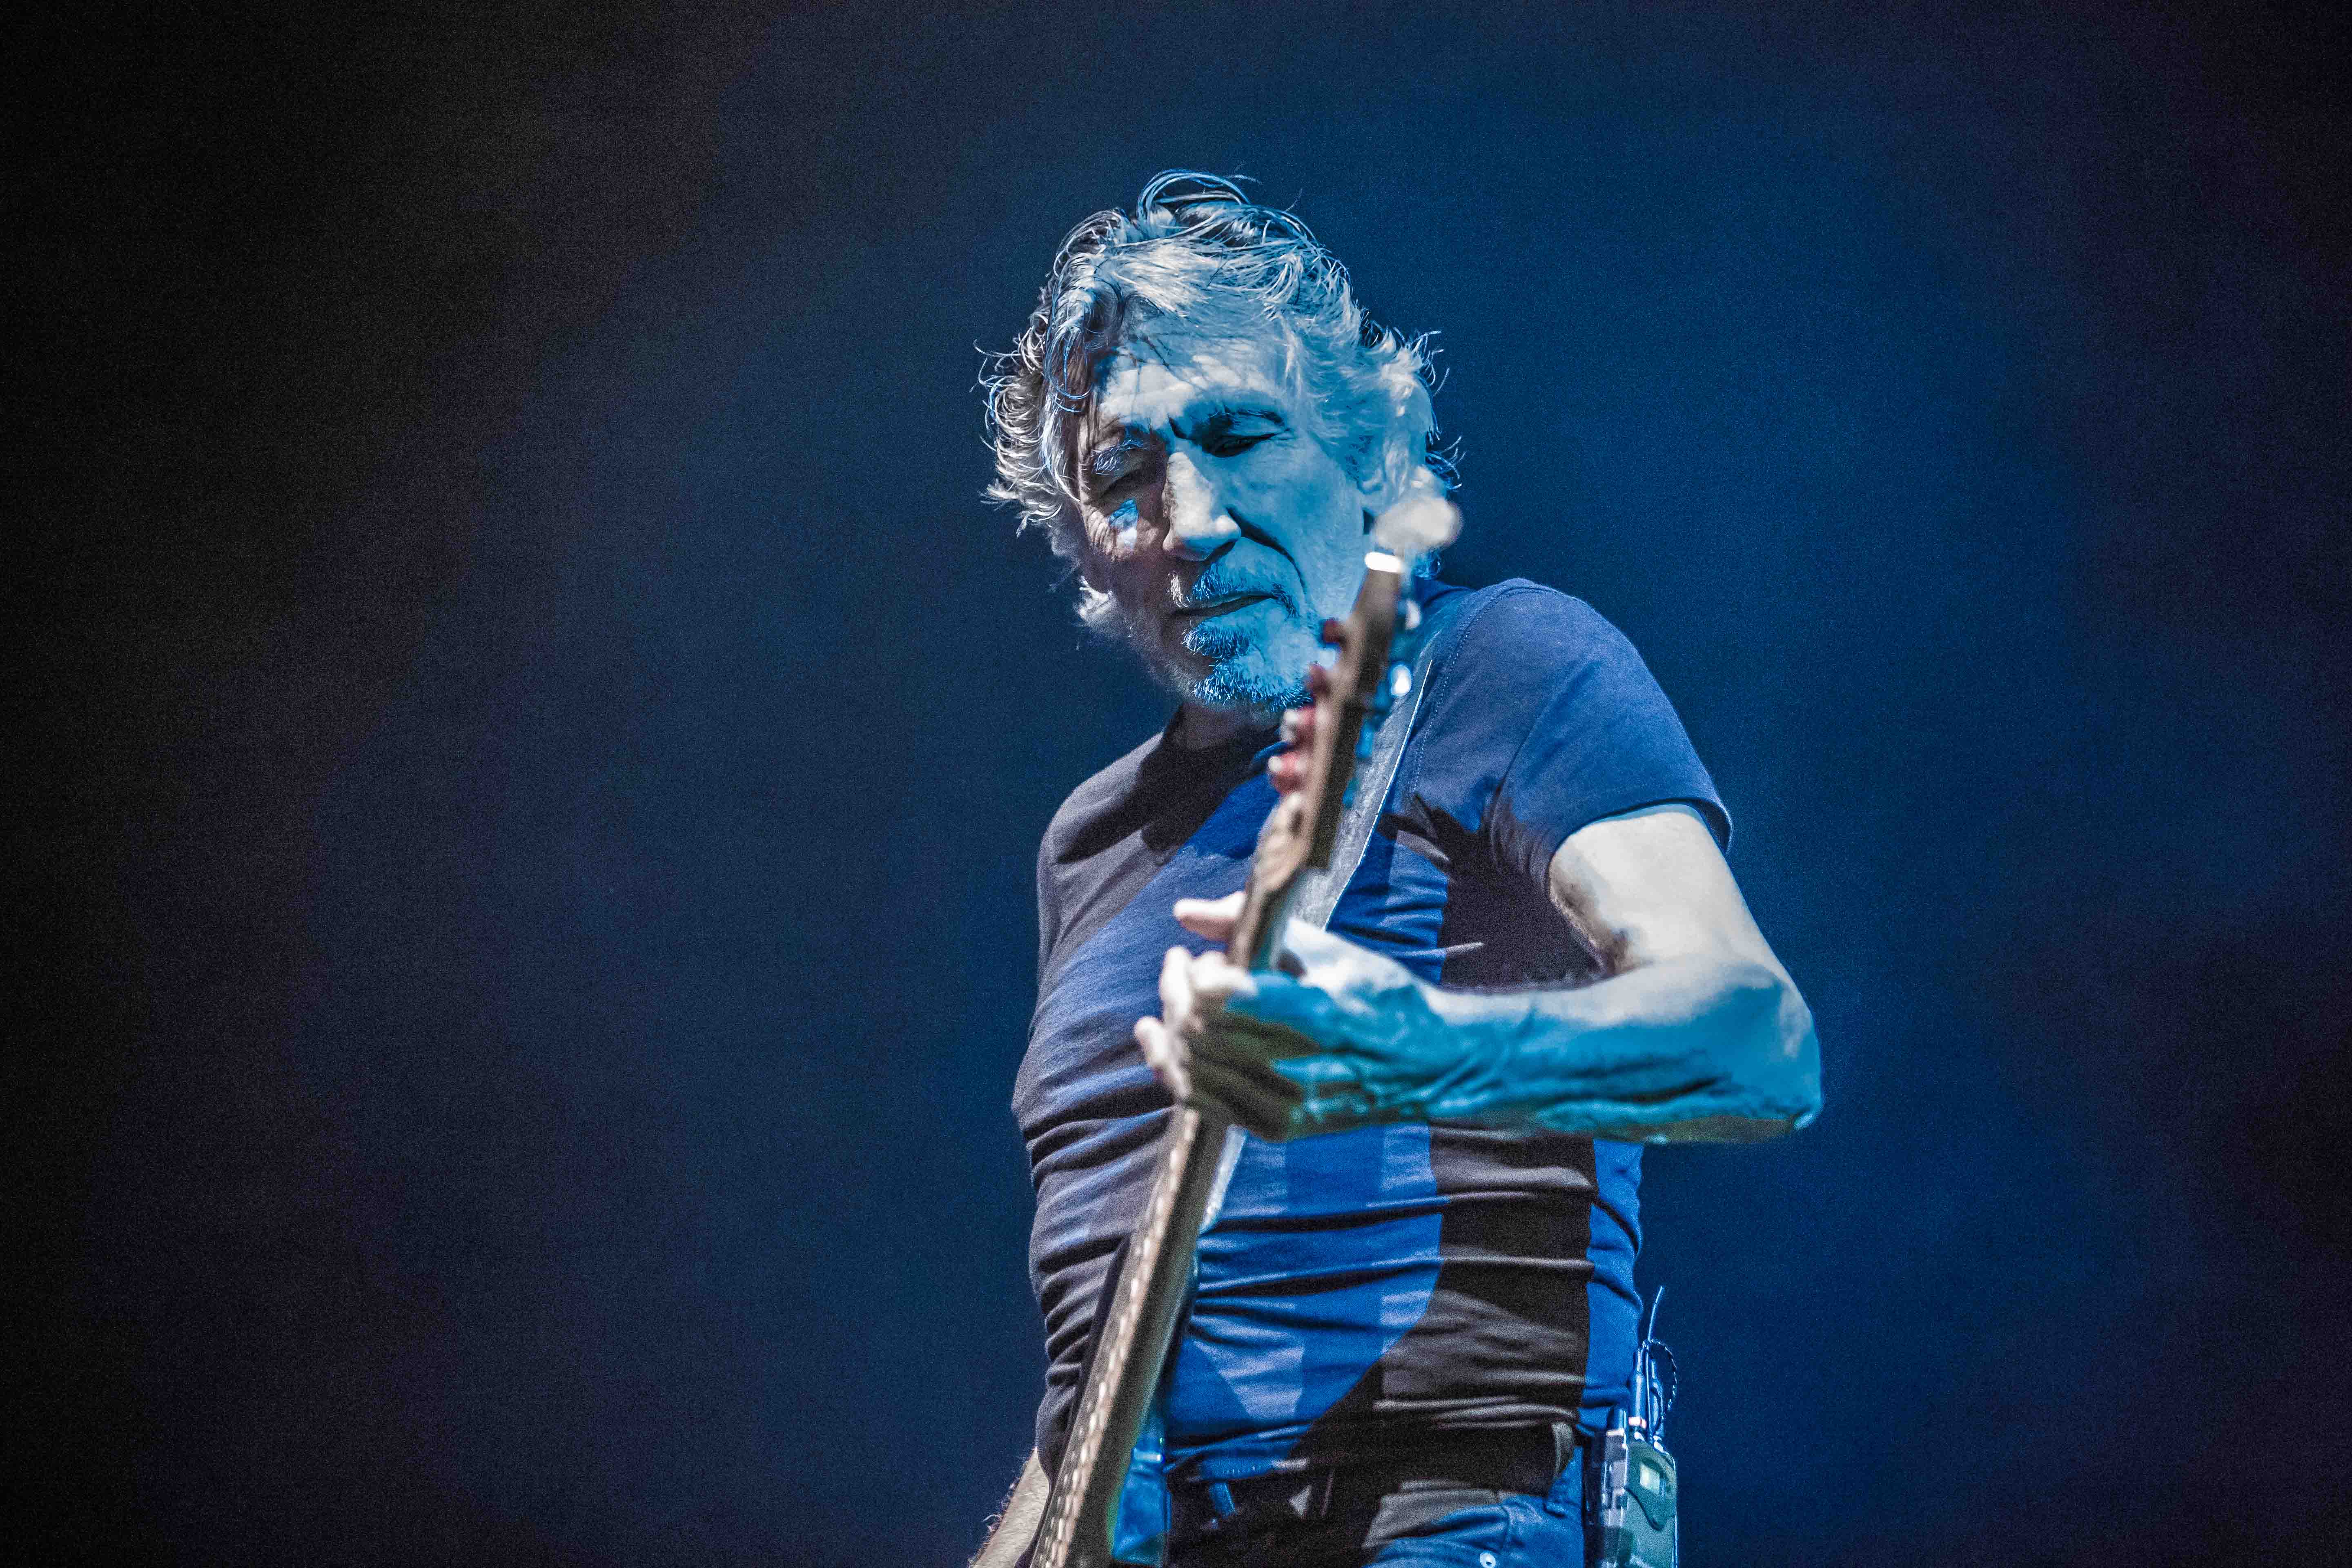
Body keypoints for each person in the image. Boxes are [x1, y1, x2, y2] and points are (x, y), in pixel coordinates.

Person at [972, 173, 1820, 1568]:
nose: (1190, 517)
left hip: (1453, 1519)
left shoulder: (1503, 668)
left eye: (1241, 434)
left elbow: (1760, 1043)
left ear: (1368, 456)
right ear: (1086, 545)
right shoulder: (1088, 845)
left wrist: (1424, 1056)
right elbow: (1090, 1408)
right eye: (1125, 476)